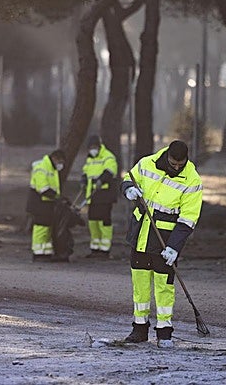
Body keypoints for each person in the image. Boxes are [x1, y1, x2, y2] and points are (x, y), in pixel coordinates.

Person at [120, 140, 203, 348]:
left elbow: (188, 219)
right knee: (139, 284)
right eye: (173, 164)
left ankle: (164, 332)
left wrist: (174, 247)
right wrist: (128, 189)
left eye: (180, 165)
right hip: (140, 235)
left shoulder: (192, 180)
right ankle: (139, 329)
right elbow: (128, 179)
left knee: (164, 287)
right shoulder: (147, 163)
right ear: (167, 157)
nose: (176, 168)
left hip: (164, 240)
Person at [80, 135, 118, 258]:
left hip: (104, 195)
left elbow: (110, 171)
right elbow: (85, 171)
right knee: (93, 221)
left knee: (104, 222)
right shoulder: (90, 159)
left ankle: (104, 250)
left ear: (99, 146)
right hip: (92, 195)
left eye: (94, 147)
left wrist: (101, 181)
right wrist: (83, 181)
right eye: (90, 147)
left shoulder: (108, 156)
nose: (92, 149)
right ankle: (95, 248)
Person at [26, 149, 66, 262]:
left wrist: (58, 197)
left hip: (47, 203)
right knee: (41, 228)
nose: (60, 165)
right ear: (55, 158)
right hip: (39, 203)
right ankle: (38, 253)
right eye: (60, 161)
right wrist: (57, 197)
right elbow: (43, 189)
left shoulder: (51, 168)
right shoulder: (42, 167)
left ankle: (45, 252)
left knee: (47, 228)